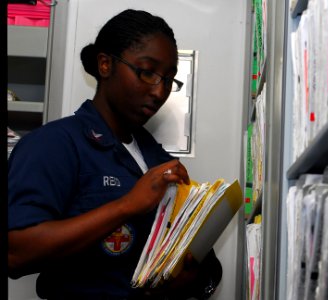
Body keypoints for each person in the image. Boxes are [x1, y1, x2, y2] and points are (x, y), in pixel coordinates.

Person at [8, 9, 222, 300]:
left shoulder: (156, 158)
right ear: (106, 64)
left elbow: (192, 260)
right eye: (147, 72)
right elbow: (16, 252)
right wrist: (126, 206)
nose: (160, 92)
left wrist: (192, 275)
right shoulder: (53, 145)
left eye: (169, 79)